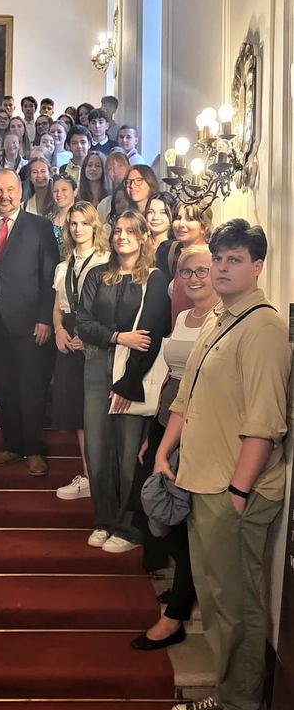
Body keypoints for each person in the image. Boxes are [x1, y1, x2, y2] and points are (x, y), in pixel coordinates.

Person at [155, 219, 291, 710]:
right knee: (216, 599)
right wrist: (165, 450)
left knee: (237, 604)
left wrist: (238, 492)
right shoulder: (219, 317)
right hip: (203, 479)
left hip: (233, 489)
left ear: (258, 266)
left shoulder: (264, 328)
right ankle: (228, 691)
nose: (222, 268)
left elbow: (266, 422)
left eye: (235, 259)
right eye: (219, 258)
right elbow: (186, 395)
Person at [130, 246, 217, 649]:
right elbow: (171, 379)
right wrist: (154, 436)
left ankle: (176, 615)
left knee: (182, 520)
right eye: (186, 271)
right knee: (155, 508)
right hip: (168, 420)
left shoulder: (223, 319)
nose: (194, 278)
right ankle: (187, 584)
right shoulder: (183, 317)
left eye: (202, 270)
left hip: (198, 430)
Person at [77, 210, 170, 552]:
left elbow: (151, 332)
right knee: (98, 449)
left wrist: (131, 371)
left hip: (134, 370)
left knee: (129, 450)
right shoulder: (97, 274)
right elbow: (82, 323)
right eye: (117, 230)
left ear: (143, 237)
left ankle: (128, 526)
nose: (122, 236)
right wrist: (117, 337)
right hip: (96, 367)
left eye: (130, 231)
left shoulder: (154, 278)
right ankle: (103, 520)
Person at [0, 169, 59, 477]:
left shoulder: (40, 226)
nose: (3, 196)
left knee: (32, 388)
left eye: (9, 189)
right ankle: (11, 445)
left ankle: (33, 449)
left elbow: (49, 275)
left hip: (31, 323)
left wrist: (45, 318)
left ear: (20, 192)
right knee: (5, 389)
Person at [53, 203, 109, 499]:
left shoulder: (106, 260)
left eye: (84, 223)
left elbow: (108, 309)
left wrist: (86, 337)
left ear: (94, 226)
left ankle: (102, 477)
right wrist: (59, 330)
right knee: (78, 412)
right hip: (69, 340)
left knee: (96, 411)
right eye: (73, 223)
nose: (78, 229)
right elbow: (57, 307)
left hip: (96, 340)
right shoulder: (63, 266)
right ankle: (87, 477)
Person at [170, 201, 213, 324]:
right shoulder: (177, 254)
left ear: (203, 227)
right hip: (180, 328)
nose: (181, 224)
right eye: (178, 218)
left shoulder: (208, 258)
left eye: (189, 219)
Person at [144, 191, 175, 278]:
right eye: (150, 212)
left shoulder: (175, 247)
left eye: (163, 212)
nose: (155, 217)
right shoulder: (139, 244)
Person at [97, 149, 131, 223]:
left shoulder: (136, 196)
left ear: (128, 167)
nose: (115, 171)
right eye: (110, 168)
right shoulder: (104, 204)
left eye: (120, 166)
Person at [49, 174, 77, 256]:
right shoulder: (47, 220)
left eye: (64, 189)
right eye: (55, 191)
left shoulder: (83, 218)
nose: (59, 194)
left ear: (75, 191)